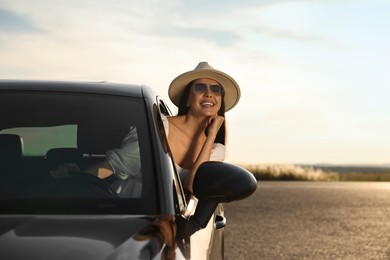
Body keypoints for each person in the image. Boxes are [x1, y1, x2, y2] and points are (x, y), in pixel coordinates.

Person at [163, 61, 241, 194]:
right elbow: (119, 163)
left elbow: (193, 186)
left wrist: (210, 136)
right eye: (199, 88)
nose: (209, 93)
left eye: (216, 89)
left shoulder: (216, 150)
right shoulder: (161, 126)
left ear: (220, 102)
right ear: (188, 99)